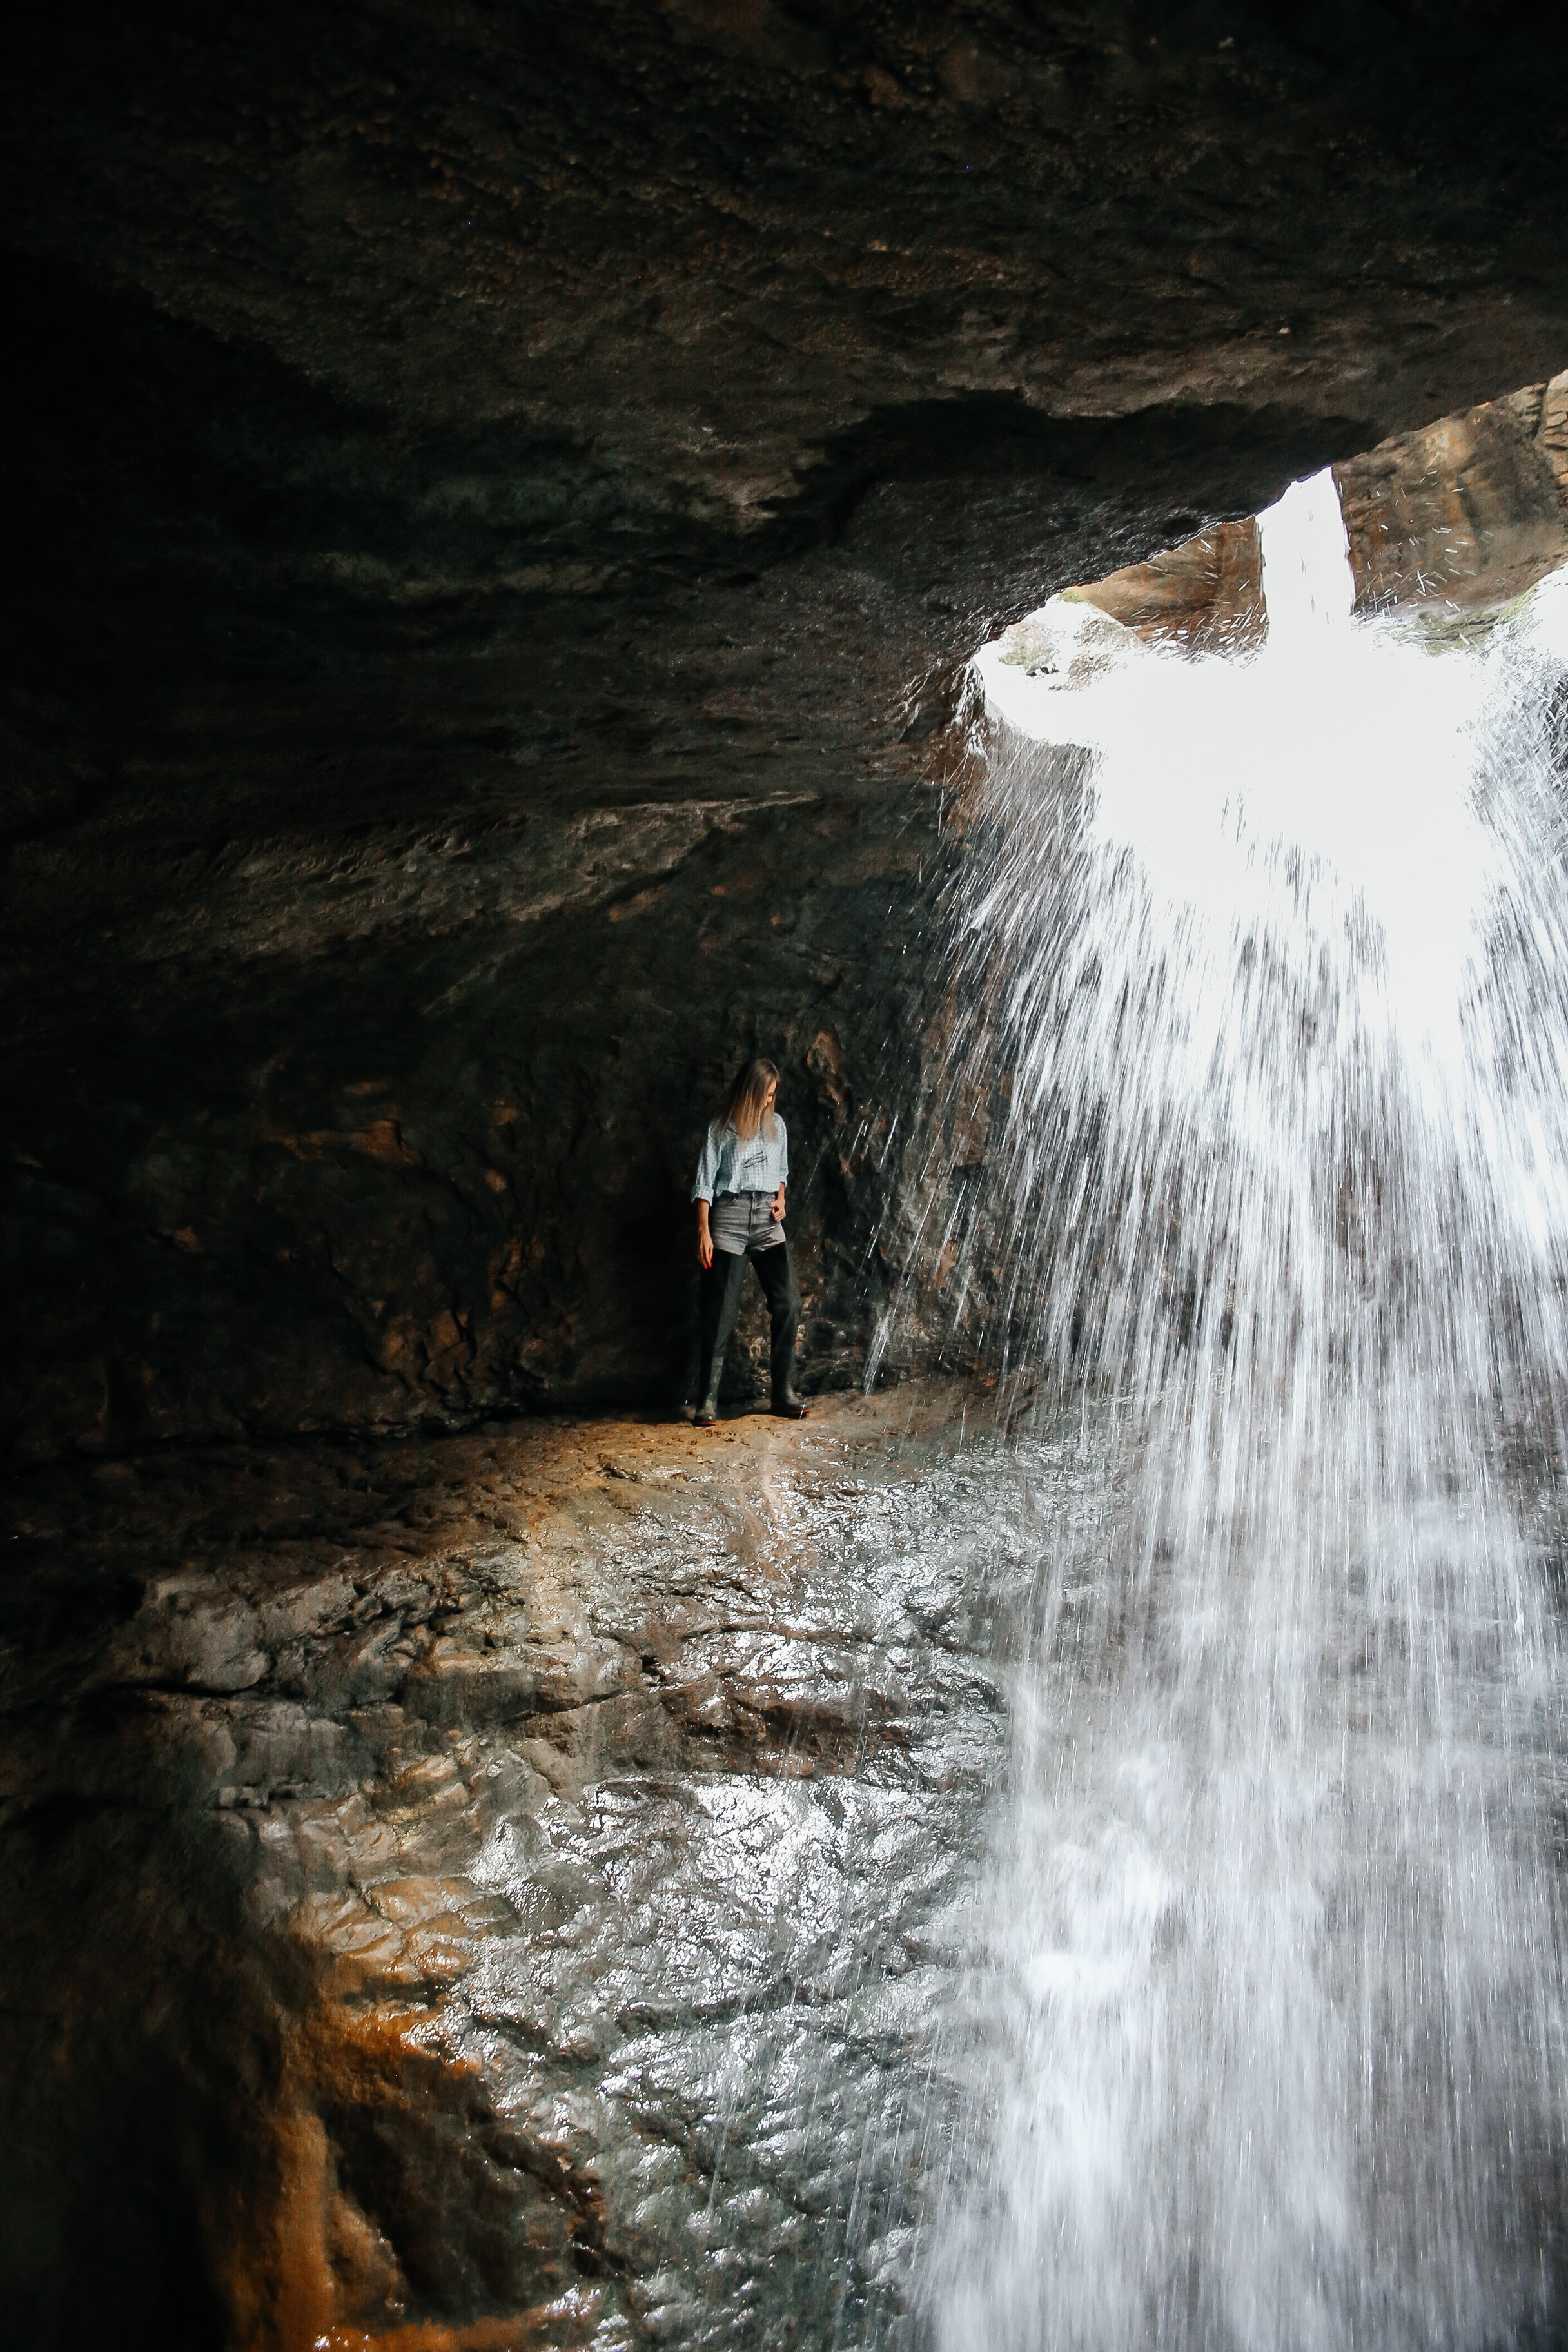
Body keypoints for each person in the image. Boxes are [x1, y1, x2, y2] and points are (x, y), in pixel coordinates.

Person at [691, 1057, 809, 1425]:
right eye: (764, 1094)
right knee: (721, 1311)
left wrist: (782, 1200)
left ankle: (781, 1393)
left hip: (766, 1221)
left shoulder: (778, 1126)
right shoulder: (721, 1127)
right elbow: (704, 1184)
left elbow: (782, 1173)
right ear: (750, 1091)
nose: (768, 1101)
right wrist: (704, 1231)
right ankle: (707, 1401)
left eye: (773, 1095)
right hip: (729, 1215)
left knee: (789, 1302)